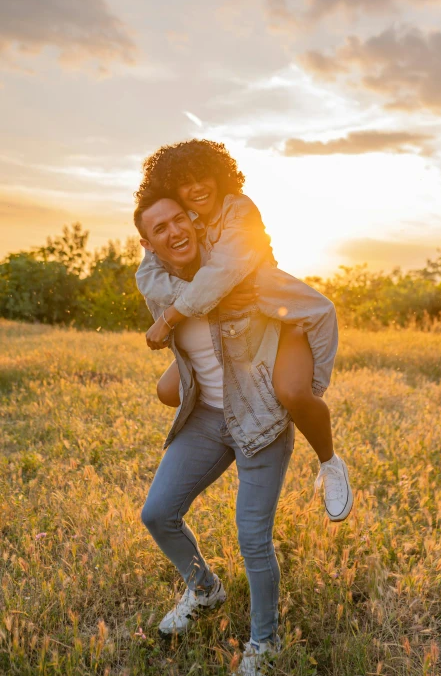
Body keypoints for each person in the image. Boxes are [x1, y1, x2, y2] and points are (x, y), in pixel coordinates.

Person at [134, 193, 349, 674]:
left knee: (253, 538)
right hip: (207, 418)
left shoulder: (242, 273)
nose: (175, 232)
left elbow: (318, 310)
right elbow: (184, 348)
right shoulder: (157, 285)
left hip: (260, 418)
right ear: (148, 244)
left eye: (179, 219)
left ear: (192, 220)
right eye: (160, 229)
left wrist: (304, 389)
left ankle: (265, 641)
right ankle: (206, 590)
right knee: (157, 513)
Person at [135, 139, 352, 521]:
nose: (197, 186)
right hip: (230, 331)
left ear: (220, 174)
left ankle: (329, 462)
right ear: (172, 189)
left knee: (291, 392)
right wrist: (208, 301)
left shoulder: (239, 209)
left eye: (204, 175)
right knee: (168, 390)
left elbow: (223, 274)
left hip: (274, 316)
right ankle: (229, 420)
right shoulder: (185, 219)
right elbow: (149, 275)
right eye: (185, 182)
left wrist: (169, 318)